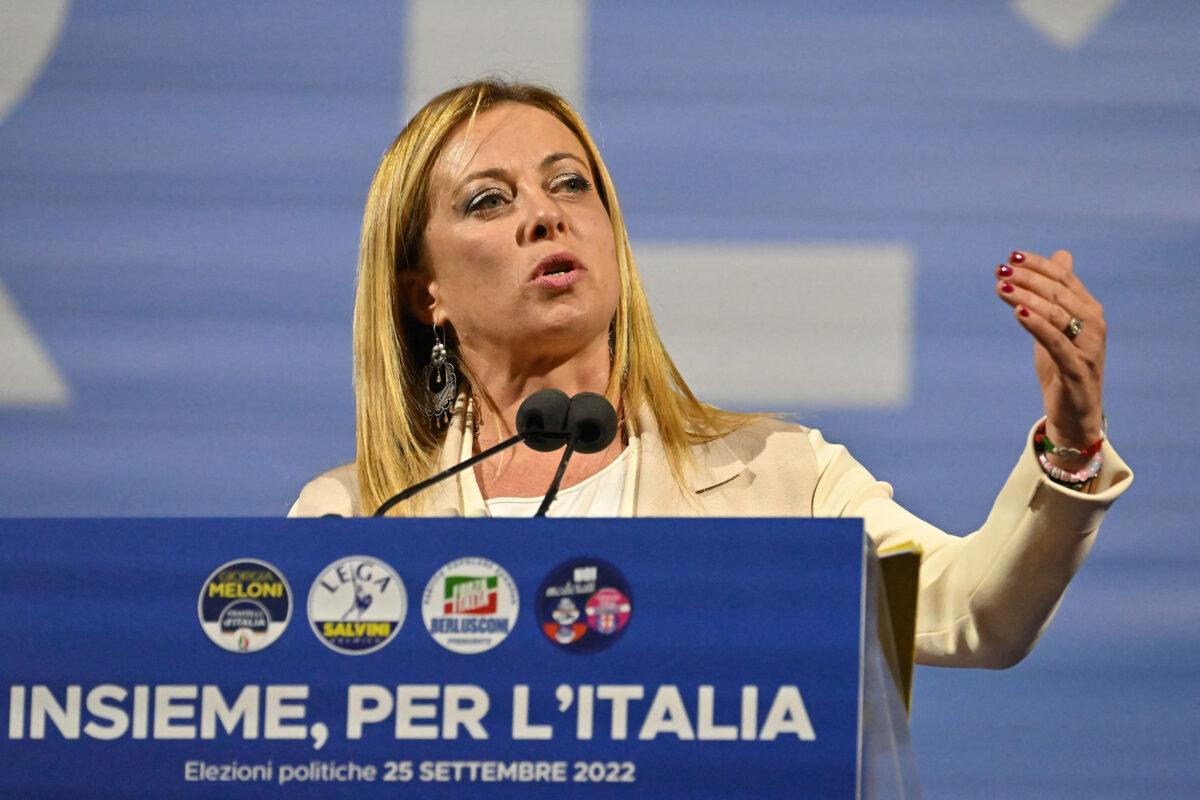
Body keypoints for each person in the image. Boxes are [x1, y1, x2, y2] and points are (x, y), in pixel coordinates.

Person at [289, 79, 1132, 669]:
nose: (545, 215)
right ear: (423, 292)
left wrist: (1070, 446)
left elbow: (976, 613)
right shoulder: (358, 520)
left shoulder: (776, 481)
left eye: (570, 185)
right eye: (488, 201)